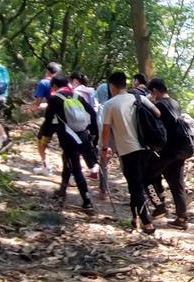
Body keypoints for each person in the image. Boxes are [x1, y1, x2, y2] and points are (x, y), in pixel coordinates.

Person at [97, 72, 162, 232]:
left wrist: (104, 148)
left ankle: (147, 224)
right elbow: (157, 113)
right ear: (125, 84)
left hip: (128, 150)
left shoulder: (110, 104)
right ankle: (135, 219)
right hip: (146, 148)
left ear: (112, 86)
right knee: (137, 184)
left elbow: (105, 130)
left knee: (135, 187)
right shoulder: (138, 98)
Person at [40, 74, 98, 212]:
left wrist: (45, 139)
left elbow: (48, 121)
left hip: (68, 138)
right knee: (67, 161)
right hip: (83, 136)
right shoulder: (77, 96)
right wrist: (93, 133)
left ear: (54, 86)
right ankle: (62, 190)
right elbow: (93, 113)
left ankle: (87, 200)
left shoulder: (54, 99)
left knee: (76, 168)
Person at [146, 78, 194, 228]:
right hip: (179, 150)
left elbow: (158, 129)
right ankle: (181, 218)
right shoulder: (175, 103)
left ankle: (159, 206)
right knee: (177, 184)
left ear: (154, 91)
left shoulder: (160, 106)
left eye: (151, 92)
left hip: (167, 150)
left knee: (146, 177)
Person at [31, 61, 62, 174]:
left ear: (48, 71)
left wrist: (31, 108)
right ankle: (72, 174)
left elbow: (38, 103)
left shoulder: (44, 82)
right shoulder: (64, 84)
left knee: (41, 141)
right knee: (67, 146)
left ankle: (46, 167)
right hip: (65, 119)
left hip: (51, 119)